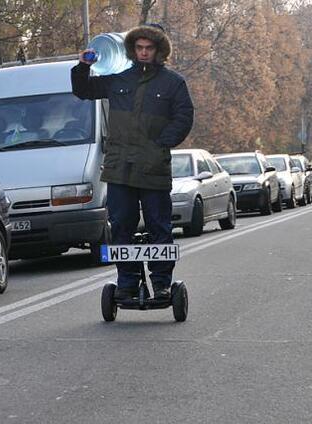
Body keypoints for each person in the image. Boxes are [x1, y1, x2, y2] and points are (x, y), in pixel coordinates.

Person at [71, 23, 194, 300]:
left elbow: (184, 117)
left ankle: (162, 283)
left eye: (149, 48)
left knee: (159, 227)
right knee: (121, 226)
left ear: (159, 51)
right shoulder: (119, 80)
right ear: (131, 49)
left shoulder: (173, 83)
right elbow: (83, 90)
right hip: (119, 169)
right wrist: (82, 66)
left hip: (153, 169)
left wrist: (161, 143)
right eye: (139, 48)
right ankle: (127, 282)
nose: (144, 53)